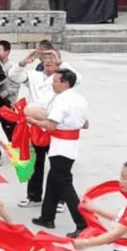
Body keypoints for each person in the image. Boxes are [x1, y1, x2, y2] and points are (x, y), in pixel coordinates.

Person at [8, 48, 76, 209]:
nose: (48, 62)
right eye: (45, 59)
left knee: (57, 166)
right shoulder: (34, 76)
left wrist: (61, 64)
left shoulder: (64, 79)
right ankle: (34, 196)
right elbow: (14, 75)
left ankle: (60, 200)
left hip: (54, 126)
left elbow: (77, 78)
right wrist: (23, 62)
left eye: (52, 60)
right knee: (35, 163)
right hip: (35, 125)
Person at [29, 68, 89, 236]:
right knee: (53, 179)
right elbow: (85, 123)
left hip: (60, 145)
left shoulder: (62, 100)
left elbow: (50, 125)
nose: (53, 84)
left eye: (55, 81)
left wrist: (33, 121)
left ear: (65, 83)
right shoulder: (80, 99)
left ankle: (82, 222)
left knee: (64, 184)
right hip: (71, 144)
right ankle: (47, 216)